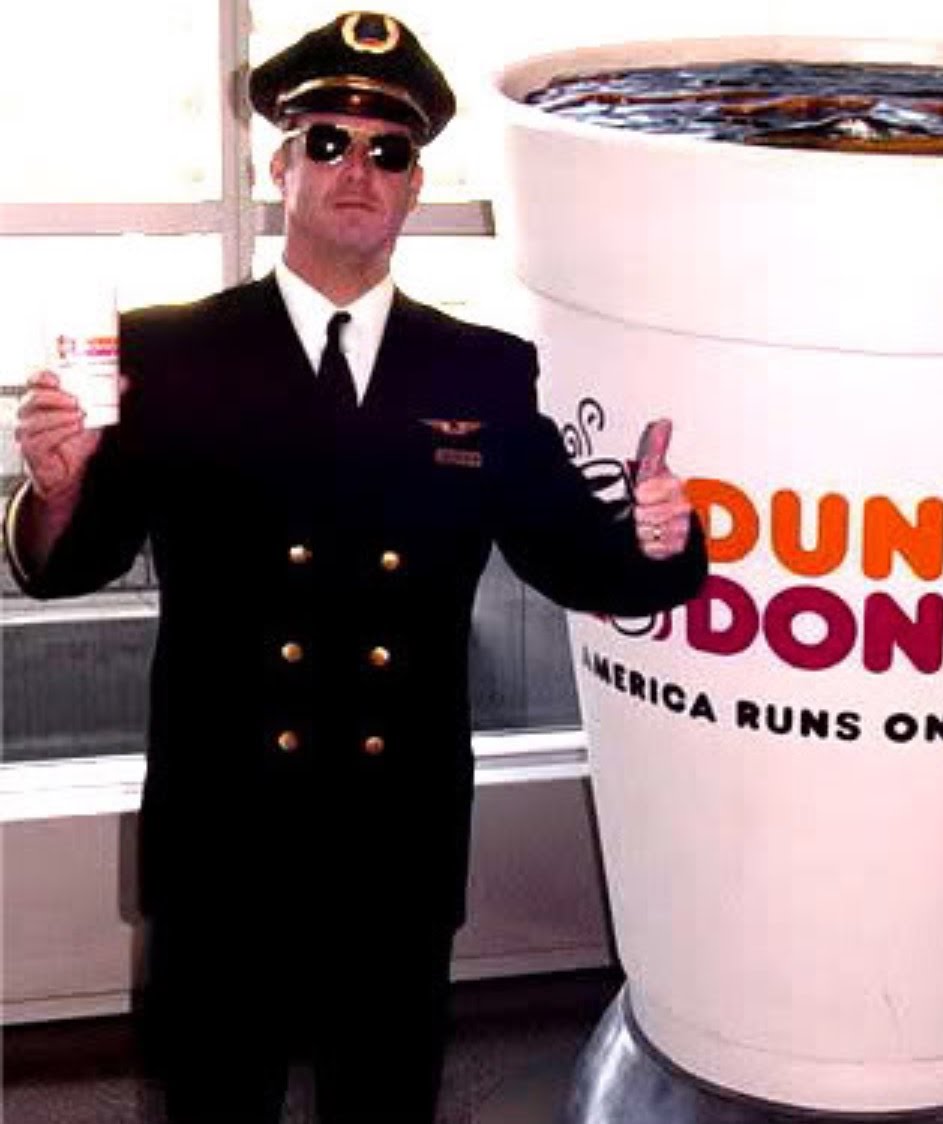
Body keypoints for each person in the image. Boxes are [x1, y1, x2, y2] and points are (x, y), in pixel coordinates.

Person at [5, 12, 706, 1123]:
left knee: (384, 1100)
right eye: (327, 140)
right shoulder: (174, 352)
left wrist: (660, 539)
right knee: (214, 1100)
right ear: (279, 168)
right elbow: (70, 564)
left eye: (388, 150)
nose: (356, 168)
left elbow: (582, 562)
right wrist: (54, 490)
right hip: (224, 825)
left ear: (414, 185)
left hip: (394, 834)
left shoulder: (481, 370)